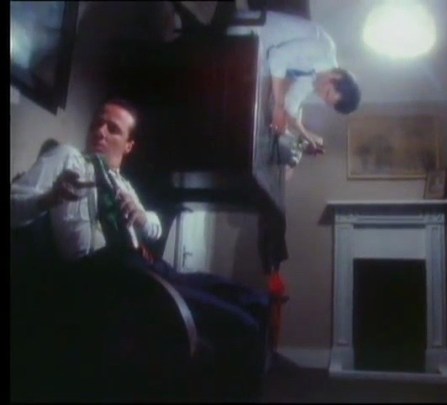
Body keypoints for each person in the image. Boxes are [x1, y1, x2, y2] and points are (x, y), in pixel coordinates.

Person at [10, 99, 267, 401]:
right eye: (97, 123)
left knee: (257, 301)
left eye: (113, 129)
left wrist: (144, 218)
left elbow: (153, 229)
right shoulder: (66, 157)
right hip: (103, 273)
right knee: (242, 325)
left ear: (128, 145)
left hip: (146, 268)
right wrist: (48, 199)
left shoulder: (123, 185)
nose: (100, 131)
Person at [258, 10, 361, 154]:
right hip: (254, 32)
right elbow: (277, 56)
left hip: (259, 59)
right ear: (336, 77)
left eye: (326, 100)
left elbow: (292, 101)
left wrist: (306, 134)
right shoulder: (324, 48)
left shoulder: (316, 78)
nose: (321, 96)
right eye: (327, 93)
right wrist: (279, 106)